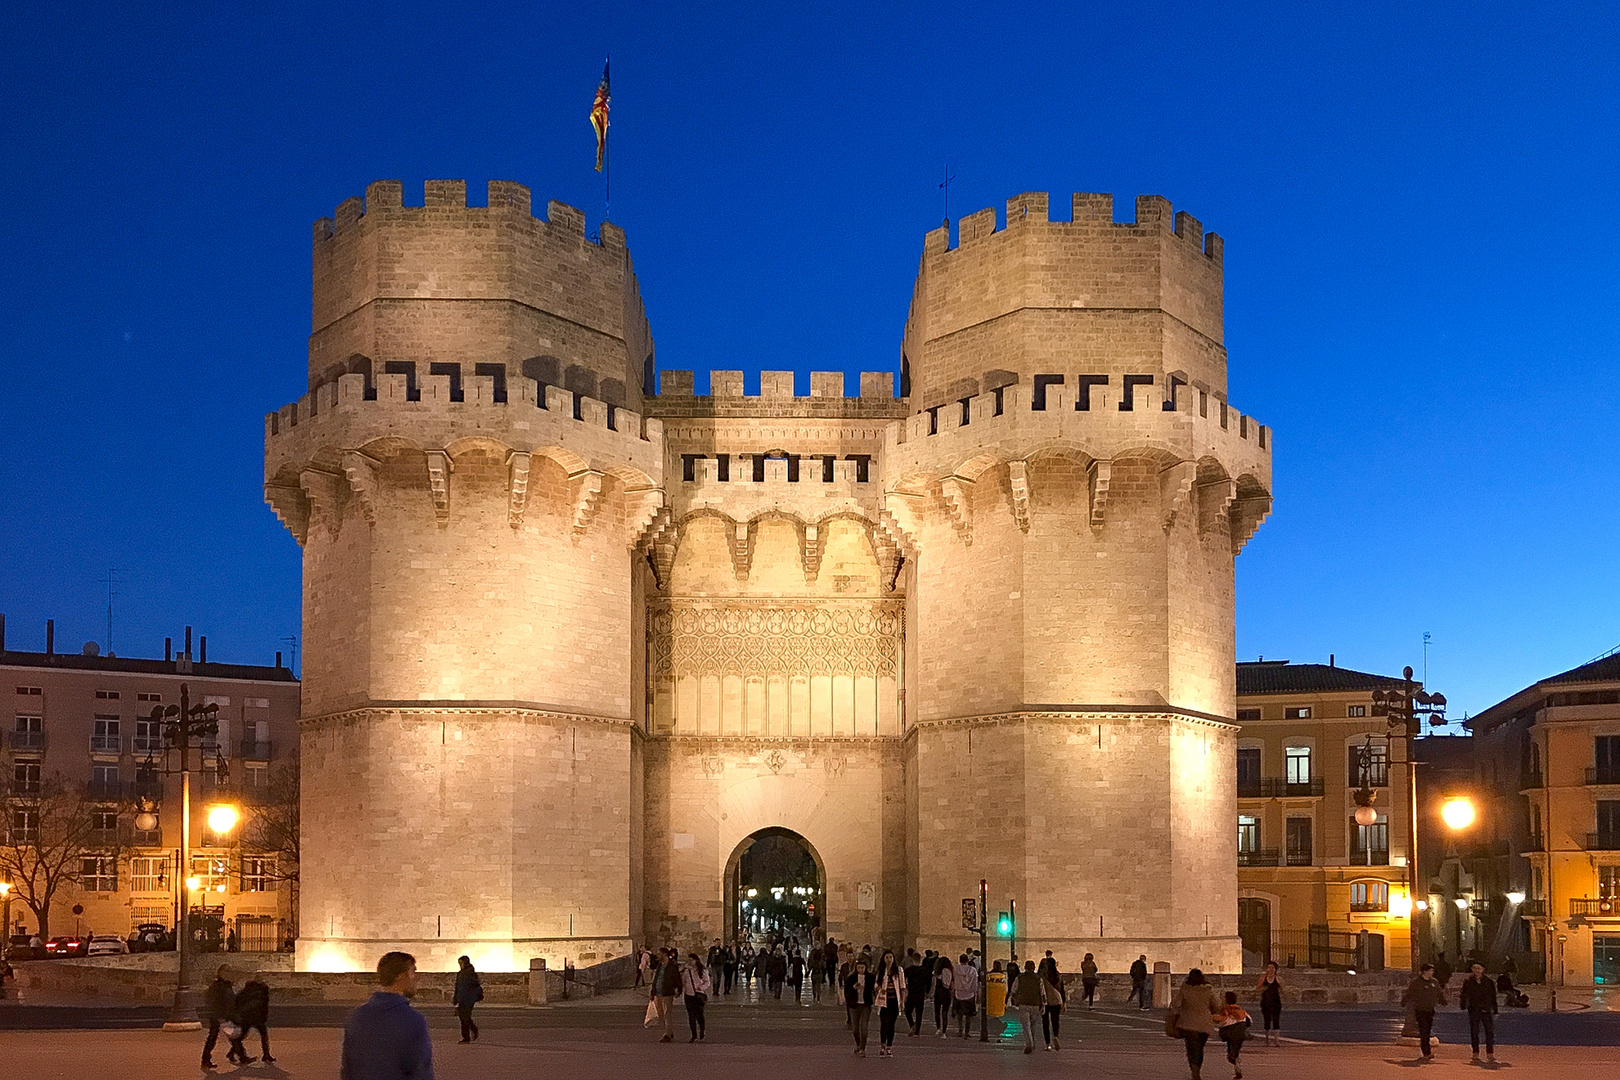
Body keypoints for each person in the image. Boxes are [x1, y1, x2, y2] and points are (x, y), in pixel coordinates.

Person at [340, 951, 434, 1080]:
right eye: (413, 972)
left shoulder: (356, 1017)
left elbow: (348, 1069)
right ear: (400, 976)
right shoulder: (413, 1020)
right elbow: (421, 1071)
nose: (416, 978)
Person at [1168, 968, 1223, 1080]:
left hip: (1188, 1024)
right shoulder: (1208, 990)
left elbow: (1175, 1004)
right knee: (1200, 1048)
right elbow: (1217, 1005)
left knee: (1191, 1048)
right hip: (1204, 1025)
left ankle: (1194, 1070)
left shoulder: (1185, 989)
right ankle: (1197, 1068)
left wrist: (1174, 1015)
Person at [1402, 962, 1446, 1060]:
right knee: (1424, 1031)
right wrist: (1404, 1002)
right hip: (1420, 1010)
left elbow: (1439, 993)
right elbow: (1409, 993)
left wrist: (1443, 1001)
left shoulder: (1434, 982)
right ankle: (1426, 1052)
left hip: (1430, 1010)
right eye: (1430, 970)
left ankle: (1426, 1051)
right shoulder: (1417, 983)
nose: (1432, 972)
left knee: (1428, 1030)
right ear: (1425, 971)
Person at [229, 974, 274, 1064]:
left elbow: (239, 999)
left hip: (250, 1016)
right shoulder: (260, 990)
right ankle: (266, 1055)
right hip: (252, 1016)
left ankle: (266, 1054)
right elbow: (263, 1005)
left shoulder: (251, 989)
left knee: (247, 1035)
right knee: (255, 1035)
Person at [1460, 961, 1498, 1063]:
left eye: (1478, 968)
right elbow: (1464, 994)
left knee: (1489, 1031)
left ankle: (1490, 1052)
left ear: (1483, 969)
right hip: (1474, 1009)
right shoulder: (1468, 981)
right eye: (1474, 968)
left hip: (1486, 1009)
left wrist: (1494, 1008)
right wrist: (1463, 1004)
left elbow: (1492, 996)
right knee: (1474, 1031)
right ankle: (1475, 1052)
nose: (1476, 970)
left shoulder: (1488, 982)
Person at [201, 965, 237, 1069]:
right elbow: (213, 1000)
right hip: (218, 1015)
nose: (228, 973)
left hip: (225, 1014)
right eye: (226, 971)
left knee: (233, 1036)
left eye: (230, 971)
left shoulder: (227, 985)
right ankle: (205, 1059)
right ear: (220, 972)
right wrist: (218, 1014)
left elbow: (231, 1000)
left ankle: (235, 1054)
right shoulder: (217, 985)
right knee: (213, 1037)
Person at [844, 955, 876, 1056]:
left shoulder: (870, 978)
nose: (861, 970)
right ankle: (858, 1044)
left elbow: (873, 988)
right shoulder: (851, 978)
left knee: (864, 1028)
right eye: (859, 968)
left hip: (865, 1005)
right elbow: (846, 990)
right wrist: (853, 988)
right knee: (855, 1029)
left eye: (862, 968)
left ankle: (863, 1048)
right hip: (854, 1005)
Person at [1215, 991, 1250, 1079]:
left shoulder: (1225, 1009)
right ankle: (1236, 1063)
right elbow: (1248, 1020)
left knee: (1230, 1051)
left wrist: (1211, 1017)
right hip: (1240, 1032)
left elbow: (1222, 1019)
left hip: (1230, 1032)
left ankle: (1234, 1060)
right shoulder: (1240, 1010)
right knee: (1236, 1049)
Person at [650, 947, 681, 1042]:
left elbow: (677, 979)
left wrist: (678, 990)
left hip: (667, 992)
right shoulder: (659, 965)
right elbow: (656, 978)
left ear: (664, 955)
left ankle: (667, 1034)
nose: (657, 955)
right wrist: (653, 992)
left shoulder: (672, 966)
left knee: (667, 1013)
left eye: (659, 954)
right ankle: (669, 1031)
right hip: (658, 993)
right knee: (661, 1014)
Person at [453, 955, 483, 1043]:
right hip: (462, 998)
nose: (460, 965)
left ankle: (466, 1037)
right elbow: (457, 987)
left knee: (465, 1017)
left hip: (468, 999)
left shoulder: (471, 974)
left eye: (461, 963)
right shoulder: (460, 974)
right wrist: (456, 999)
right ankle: (472, 1030)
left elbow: (474, 985)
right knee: (464, 1017)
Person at [682, 952, 711, 1042]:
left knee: (699, 1015)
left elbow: (707, 982)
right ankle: (693, 1035)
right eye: (689, 960)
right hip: (688, 995)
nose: (690, 962)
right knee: (691, 1016)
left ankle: (702, 1030)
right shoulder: (687, 971)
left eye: (691, 960)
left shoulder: (702, 970)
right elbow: (683, 982)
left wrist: (701, 988)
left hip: (698, 995)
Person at [1040, 957, 1067, 1050]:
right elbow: (1062, 990)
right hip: (1057, 1000)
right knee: (1055, 1021)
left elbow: (1040, 990)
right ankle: (1055, 1036)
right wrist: (1064, 1002)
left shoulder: (1043, 976)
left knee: (1045, 1023)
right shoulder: (1058, 975)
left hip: (1046, 1001)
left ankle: (1048, 1044)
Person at [1255, 961, 1282, 1045]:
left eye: (1272, 968)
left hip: (1276, 1002)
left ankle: (1276, 1040)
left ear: (1275, 969)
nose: (1270, 970)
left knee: (1276, 1020)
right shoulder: (1263, 978)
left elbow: (1282, 989)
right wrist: (1263, 986)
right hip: (1265, 1002)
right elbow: (1258, 989)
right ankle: (1267, 1039)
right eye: (1269, 968)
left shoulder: (1278, 979)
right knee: (1267, 1020)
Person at [952, 952, 978, 1037]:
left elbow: (953, 979)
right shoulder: (973, 970)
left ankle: (960, 1030)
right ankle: (967, 1032)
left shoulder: (955, 968)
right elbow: (975, 982)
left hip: (958, 993)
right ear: (967, 961)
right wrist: (976, 993)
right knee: (968, 1015)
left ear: (960, 960)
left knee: (959, 1014)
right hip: (969, 994)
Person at [903, 949, 929, 1035]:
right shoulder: (924, 970)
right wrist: (927, 991)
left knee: (907, 1010)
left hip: (911, 993)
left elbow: (903, 979)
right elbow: (928, 982)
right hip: (920, 993)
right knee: (919, 1013)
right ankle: (917, 1031)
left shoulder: (909, 970)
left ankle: (912, 1024)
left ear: (912, 960)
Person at [933, 956, 954, 1036]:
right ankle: (944, 1031)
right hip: (946, 993)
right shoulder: (950, 971)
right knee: (945, 1012)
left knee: (937, 1011)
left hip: (939, 993)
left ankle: (938, 1028)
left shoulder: (938, 972)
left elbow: (936, 983)